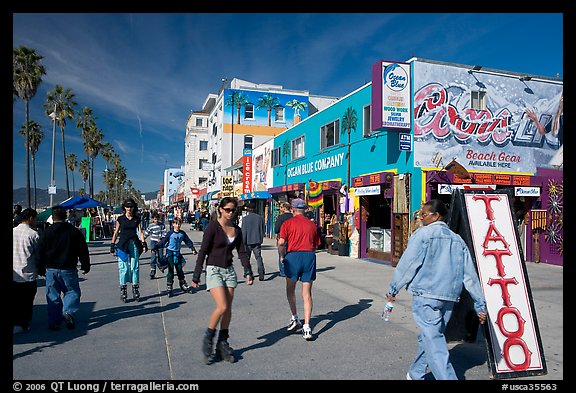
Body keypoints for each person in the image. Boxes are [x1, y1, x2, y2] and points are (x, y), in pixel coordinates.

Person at [385, 199, 487, 380]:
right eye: (421, 214)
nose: (421, 218)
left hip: (426, 296)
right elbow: (470, 276)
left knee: (435, 342)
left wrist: (393, 288)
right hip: (448, 297)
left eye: (424, 214)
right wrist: (480, 303)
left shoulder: (423, 235)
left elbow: (408, 264)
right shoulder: (457, 240)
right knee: (432, 336)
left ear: (436, 216)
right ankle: (415, 373)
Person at [191, 197, 254, 364]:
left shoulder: (237, 230)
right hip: (214, 269)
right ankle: (208, 338)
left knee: (228, 309)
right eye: (227, 210)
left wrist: (248, 271)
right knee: (222, 306)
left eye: (233, 210)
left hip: (229, 271)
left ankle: (222, 343)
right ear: (220, 209)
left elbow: (242, 252)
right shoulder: (212, 227)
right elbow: (203, 251)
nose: (231, 213)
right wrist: (196, 275)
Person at [37, 206, 91, 331]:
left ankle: (54, 321)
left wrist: (40, 268)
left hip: (50, 269)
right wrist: (85, 265)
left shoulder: (46, 232)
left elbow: (40, 252)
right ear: (65, 216)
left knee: (52, 295)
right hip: (69, 268)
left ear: (53, 217)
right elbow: (83, 250)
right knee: (72, 292)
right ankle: (68, 312)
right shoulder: (73, 231)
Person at [278, 198, 321, 341]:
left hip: (293, 256)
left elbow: (281, 242)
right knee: (307, 293)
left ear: (292, 209)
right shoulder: (312, 225)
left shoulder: (287, 223)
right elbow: (316, 244)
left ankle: (295, 317)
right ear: (304, 209)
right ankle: (307, 327)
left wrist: (282, 256)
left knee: (290, 289)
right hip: (309, 256)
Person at [110, 198, 148, 303]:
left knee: (134, 267)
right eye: (127, 206)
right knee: (124, 268)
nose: (129, 208)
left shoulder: (137, 219)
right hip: (122, 245)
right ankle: (123, 289)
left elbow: (140, 232)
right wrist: (112, 244)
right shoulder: (120, 219)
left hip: (134, 244)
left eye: (131, 206)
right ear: (124, 207)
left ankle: (135, 288)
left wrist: (144, 243)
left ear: (134, 207)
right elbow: (116, 232)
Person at [152, 217, 198, 297]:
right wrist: (155, 247)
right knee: (171, 270)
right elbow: (163, 241)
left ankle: (183, 284)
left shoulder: (182, 233)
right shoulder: (170, 233)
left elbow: (188, 241)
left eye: (179, 224)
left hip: (177, 253)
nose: (178, 225)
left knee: (179, 269)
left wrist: (192, 249)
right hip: (170, 253)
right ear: (173, 224)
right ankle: (169, 286)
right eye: (176, 224)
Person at [12, 208, 40, 334]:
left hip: (14, 273)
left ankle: (16, 322)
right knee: (27, 301)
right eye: (35, 218)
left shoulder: (13, 232)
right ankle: (24, 323)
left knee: (16, 300)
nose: (36, 221)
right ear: (30, 218)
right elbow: (38, 254)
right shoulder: (33, 234)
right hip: (28, 273)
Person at [241, 203, 266, 281]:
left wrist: (243, 242)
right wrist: (261, 238)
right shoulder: (260, 218)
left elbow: (244, 231)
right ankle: (261, 272)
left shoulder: (245, 219)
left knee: (247, 258)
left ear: (248, 210)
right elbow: (262, 230)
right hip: (257, 240)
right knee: (258, 257)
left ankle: (248, 273)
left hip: (248, 241)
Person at [144, 212, 167, 279]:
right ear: (153, 219)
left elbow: (164, 233)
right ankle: (153, 270)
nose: (156, 220)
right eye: (155, 219)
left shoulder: (162, 225)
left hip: (160, 242)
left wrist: (161, 239)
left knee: (160, 257)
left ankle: (161, 266)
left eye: (157, 219)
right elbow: (146, 233)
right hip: (153, 242)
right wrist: (142, 240)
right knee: (153, 257)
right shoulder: (150, 226)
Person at [274, 202, 293, 277]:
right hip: (292, 237)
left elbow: (276, 229)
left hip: (282, 237)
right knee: (291, 254)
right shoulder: (293, 217)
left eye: (282, 207)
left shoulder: (281, 217)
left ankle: (283, 271)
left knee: (281, 254)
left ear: (284, 208)